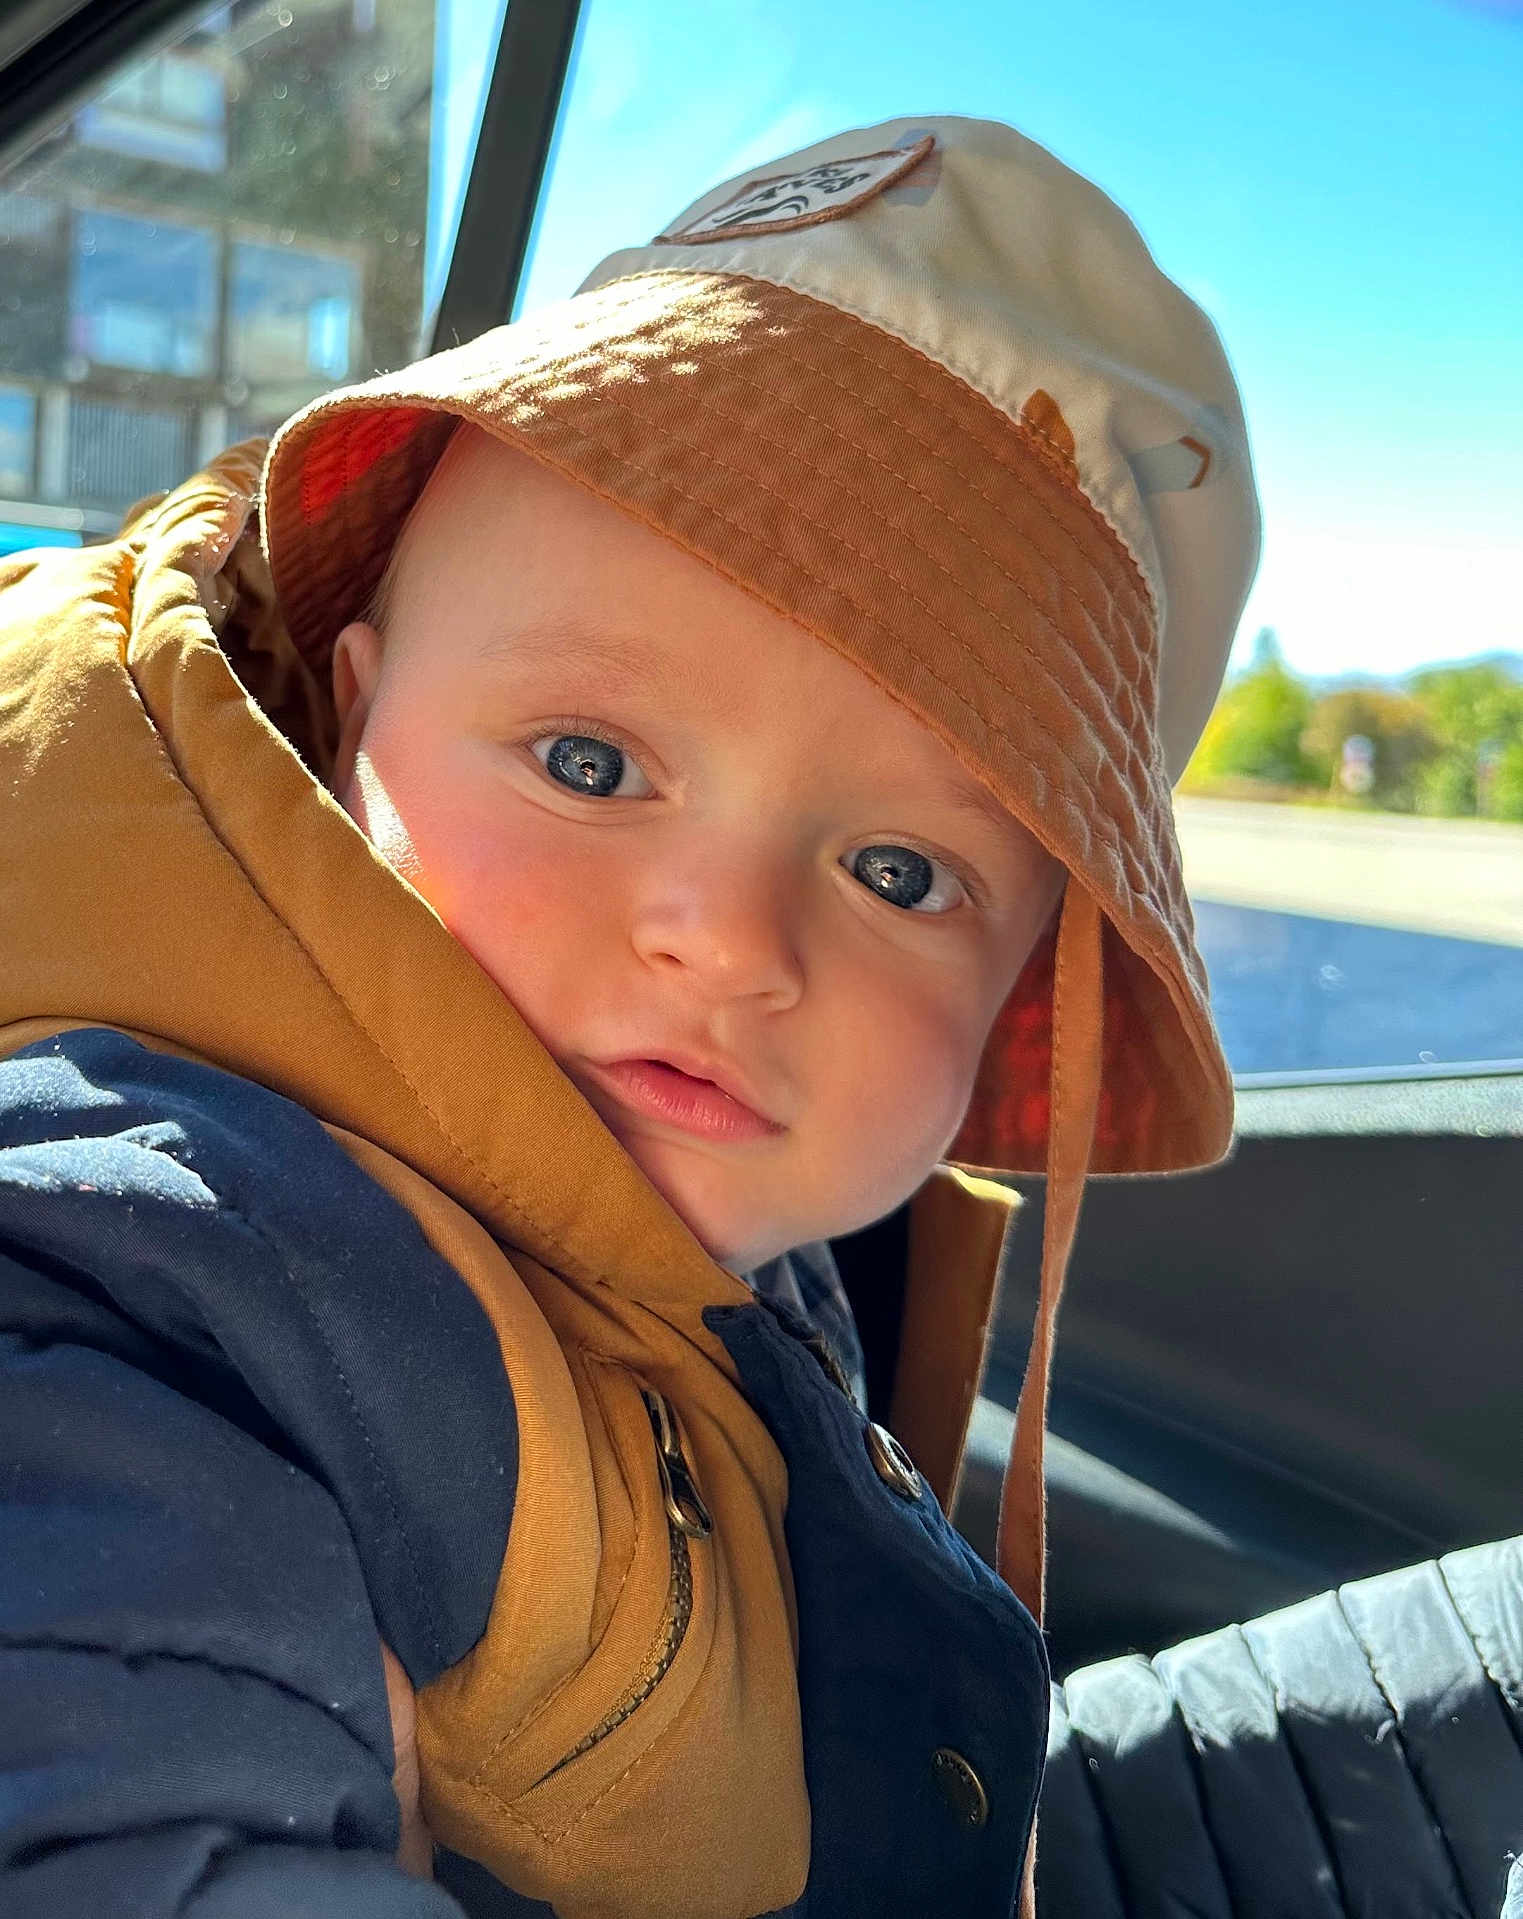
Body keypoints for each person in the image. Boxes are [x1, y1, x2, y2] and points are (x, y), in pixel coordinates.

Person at [0, 115, 1258, 1915]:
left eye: (903, 875)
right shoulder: (158, 1270)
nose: (728, 942)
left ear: (1024, 992)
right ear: (351, 725)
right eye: (590, 762)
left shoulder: (723, 1229)